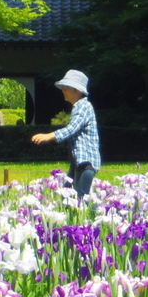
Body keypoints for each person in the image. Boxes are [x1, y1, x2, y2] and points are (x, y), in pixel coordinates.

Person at [31, 70, 101, 200]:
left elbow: (72, 129)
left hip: (86, 164)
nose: (63, 90)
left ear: (77, 91)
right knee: (67, 195)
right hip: (79, 163)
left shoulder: (83, 107)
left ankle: (87, 218)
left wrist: (49, 136)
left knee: (81, 200)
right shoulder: (79, 106)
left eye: (66, 87)